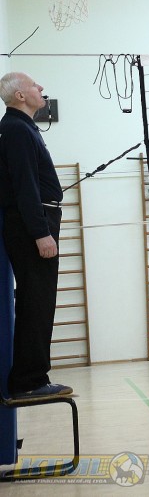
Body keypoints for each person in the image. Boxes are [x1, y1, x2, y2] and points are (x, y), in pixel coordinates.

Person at [0, 72, 71, 403]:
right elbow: (24, 184)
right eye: (33, 85)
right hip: (33, 225)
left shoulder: (23, 127)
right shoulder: (16, 129)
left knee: (39, 301)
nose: (41, 88)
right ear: (20, 96)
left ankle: (32, 377)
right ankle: (29, 380)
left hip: (38, 219)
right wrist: (41, 233)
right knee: (36, 302)